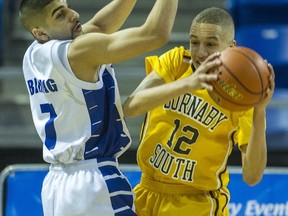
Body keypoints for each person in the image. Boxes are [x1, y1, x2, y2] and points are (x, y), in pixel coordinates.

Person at [19, 0, 178, 215]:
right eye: (60, 14)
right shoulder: (78, 52)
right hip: (93, 184)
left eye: (67, 6)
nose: (73, 14)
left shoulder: (33, 54)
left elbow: (101, 27)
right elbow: (155, 34)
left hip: (56, 185)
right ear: (41, 32)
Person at [123, 7, 275, 216]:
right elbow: (130, 107)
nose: (200, 52)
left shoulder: (241, 98)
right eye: (194, 42)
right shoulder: (177, 62)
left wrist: (259, 110)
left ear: (231, 47)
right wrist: (189, 84)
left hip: (197, 203)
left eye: (211, 44)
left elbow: (252, 177)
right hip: (145, 193)